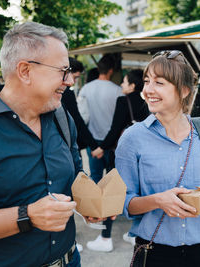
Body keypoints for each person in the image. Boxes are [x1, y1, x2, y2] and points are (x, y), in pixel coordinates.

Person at [0, 21, 84, 266]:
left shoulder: (63, 117)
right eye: (62, 71)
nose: (70, 81)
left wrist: (92, 201)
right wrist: (27, 216)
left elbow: (76, 174)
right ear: (25, 71)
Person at [115, 50, 200, 267]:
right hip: (154, 252)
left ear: (184, 90)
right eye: (147, 81)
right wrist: (158, 200)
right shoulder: (132, 138)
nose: (148, 90)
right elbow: (124, 203)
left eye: (159, 83)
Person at [91, 69, 150, 246]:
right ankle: (135, 234)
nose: (122, 85)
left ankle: (105, 238)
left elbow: (115, 129)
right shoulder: (148, 101)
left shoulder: (123, 101)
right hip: (143, 155)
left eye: (124, 82)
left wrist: (101, 147)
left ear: (132, 85)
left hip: (122, 156)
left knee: (110, 192)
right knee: (140, 192)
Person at [77, 54, 123, 252]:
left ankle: (95, 217)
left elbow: (82, 118)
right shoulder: (118, 90)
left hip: (92, 142)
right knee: (112, 185)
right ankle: (107, 230)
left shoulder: (86, 88)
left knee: (95, 181)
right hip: (112, 145)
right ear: (111, 70)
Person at [62, 57, 98, 153]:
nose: (74, 81)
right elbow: (77, 120)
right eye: (75, 77)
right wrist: (93, 145)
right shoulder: (66, 93)